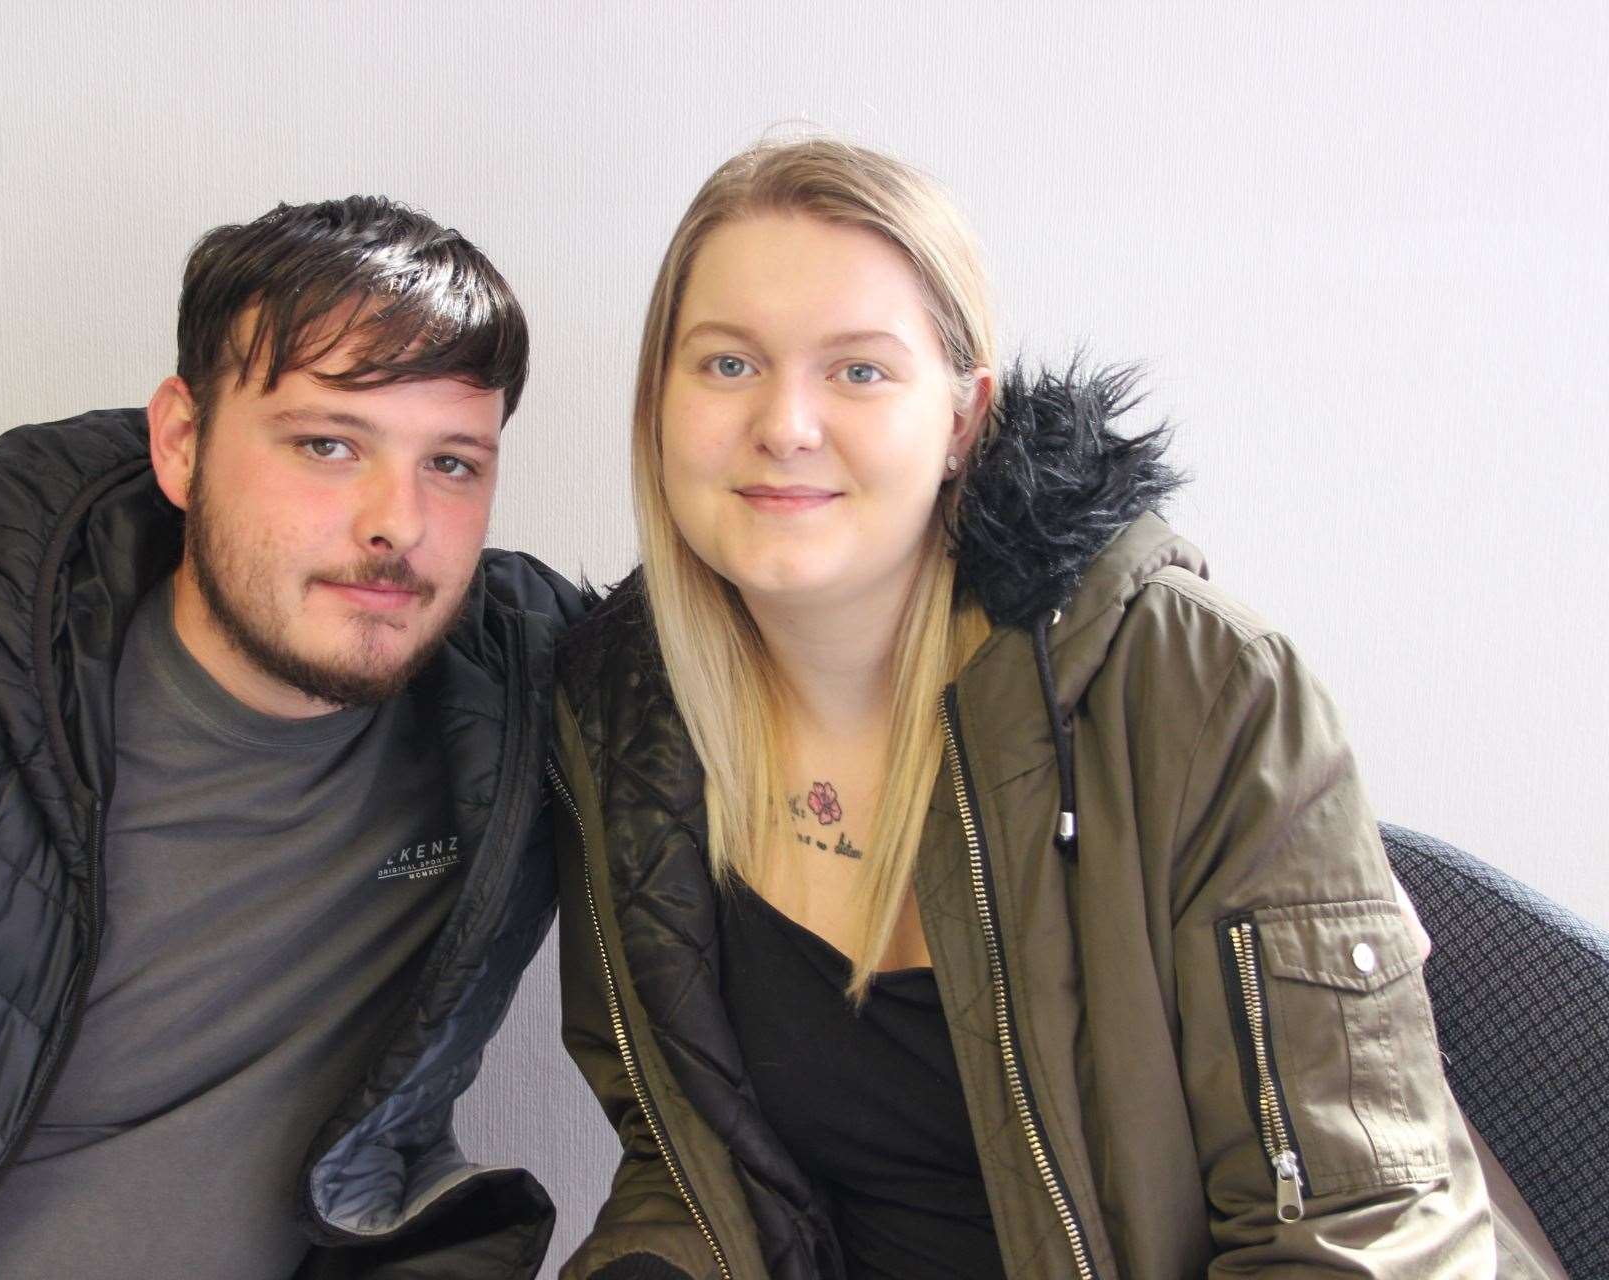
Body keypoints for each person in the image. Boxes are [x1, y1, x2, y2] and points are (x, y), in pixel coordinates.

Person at [548, 138, 1562, 1278]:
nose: (784, 422)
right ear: (660, 402)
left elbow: (1364, 1223)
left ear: (966, 419)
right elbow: (689, 1161)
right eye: (728, 364)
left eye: (860, 370)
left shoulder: (1191, 684)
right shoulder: (627, 721)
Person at [0, 197, 582, 1278]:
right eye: (328, 443)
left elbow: (778, 658)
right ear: (181, 441)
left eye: (452, 462)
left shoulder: (531, 703)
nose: (396, 522)